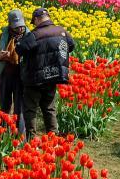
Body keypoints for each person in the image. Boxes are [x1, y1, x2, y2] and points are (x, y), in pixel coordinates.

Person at [16, 8, 76, 140]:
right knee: (49, 107)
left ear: (37, 19)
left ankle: (32, 139)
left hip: (35, 78)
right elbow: (71, 46)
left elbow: (20, 49)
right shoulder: (61, 31)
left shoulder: (34, 34)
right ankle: (53, 137)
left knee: (31, 108)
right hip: (54, 75)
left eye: (34, 22)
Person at [0, 9, 28, 136]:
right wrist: (1, 57)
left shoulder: (29, 36)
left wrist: (16, 56)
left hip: (21, 77)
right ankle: (3, 131)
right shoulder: (4, 36)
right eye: (16, 27)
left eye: (21, 27)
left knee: (20, 107)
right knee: (4, 104)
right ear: (9, 25)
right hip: (5, 75)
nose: (19, 30)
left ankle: (19, 135)